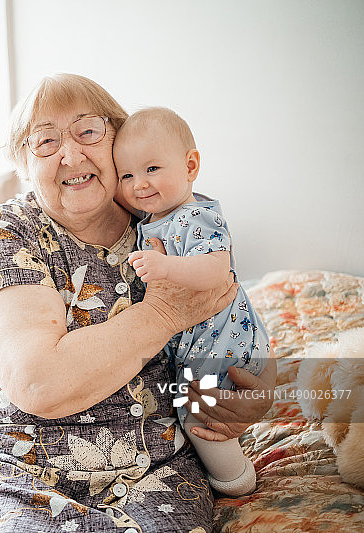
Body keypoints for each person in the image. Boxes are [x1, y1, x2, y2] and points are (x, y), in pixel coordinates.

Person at [0, 73, 276, 533]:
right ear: (25, 164)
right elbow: (38, 384)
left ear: (116, 141)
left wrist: (257, 393)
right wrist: (164, 312)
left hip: (158, 469)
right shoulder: (13, 231)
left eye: (87, 131)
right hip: (26, 470)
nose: (71, 155)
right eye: (45, 141)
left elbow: (229, 309)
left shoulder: (163, 215)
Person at [113, 106, 270, 497]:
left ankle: (234, 479)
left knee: (197, 409)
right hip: (202, 338)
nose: (139, 184)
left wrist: (165, 267)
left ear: (190, 166)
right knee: (192, 402)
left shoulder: (194, 216)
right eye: (126, 175)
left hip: (222, 338)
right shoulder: (155, 218)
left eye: (152, 169)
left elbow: (216, 270)